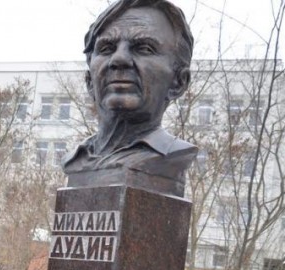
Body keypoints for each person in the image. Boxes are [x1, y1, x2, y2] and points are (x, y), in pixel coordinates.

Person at [63, 0, 197, 193]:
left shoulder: (172, 158)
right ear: (89, 81)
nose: (119, 59)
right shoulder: (75, 160)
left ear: (178, 82)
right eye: (106, 49)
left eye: (144, 48)